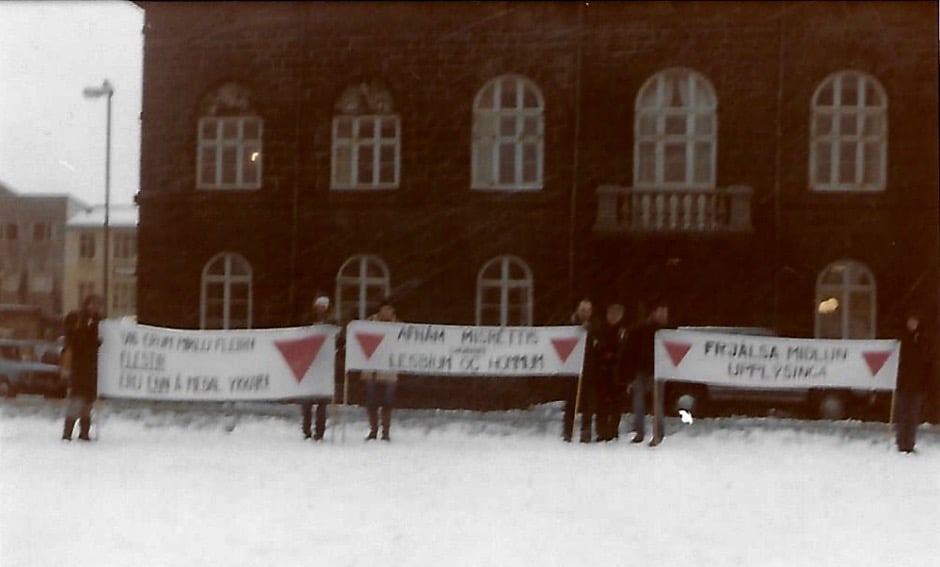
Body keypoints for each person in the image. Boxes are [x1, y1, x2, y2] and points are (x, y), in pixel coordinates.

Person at [623, 299, 669, 446]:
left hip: (658, 371)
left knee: (657, 404)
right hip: (642, 370)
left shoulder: (669, 331)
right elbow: (633, 349)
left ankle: (658, 433)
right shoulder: (642, 329)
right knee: (639, 403)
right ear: (654, 312)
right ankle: (640, 432)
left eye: (665, 312)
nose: (663, 315)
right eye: (661, 312)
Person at [60, 294, 104, 442]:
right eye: (93, 304)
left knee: (88, 402)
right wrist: (93, 342)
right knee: (76, 400)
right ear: (87, 304)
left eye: (98, 305)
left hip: (91, 369)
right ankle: (68, 433)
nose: (96, 307)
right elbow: (75, 340)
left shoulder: (98, 322)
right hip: (79, 367)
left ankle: (84, 432)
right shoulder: (78, 319)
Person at [300, 294, 339, 441]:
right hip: (309, 364)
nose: (320, 309)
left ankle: (320, 431)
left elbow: (339, 339)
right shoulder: (308, 320)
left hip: (325, 365)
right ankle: (306, 429)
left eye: (323, 306)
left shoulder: (332, 323)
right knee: (307, 400)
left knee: (322, 401)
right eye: (318, 306)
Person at [563, 298, 599, 443]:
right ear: (577, 310)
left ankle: (586, 431)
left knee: (588, 402)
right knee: (571, 401)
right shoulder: (569, 325)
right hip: (572, 368)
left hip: (589, 369)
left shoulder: (594, 326)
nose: (585, 313)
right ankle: (568, 430)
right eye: (582, 310)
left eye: (587, 310)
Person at [362, 299, 398, 441]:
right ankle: (373, 430)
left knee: (387, 403)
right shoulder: (369, 324)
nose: (387, 312)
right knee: (371, 403)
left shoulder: (398, 327)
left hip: (389, 371)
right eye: (385, 309)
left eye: (390, 309)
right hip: (372, 369)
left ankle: (386, 432)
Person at [895, 311, 931, 453]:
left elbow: (926, 362)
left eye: (915, 321)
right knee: (902, 414)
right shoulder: (902, 339)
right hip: (903, 383)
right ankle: (901, 442)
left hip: (917, 384)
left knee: (913, 415)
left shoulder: (922, 339)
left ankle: (910, 443)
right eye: (910, 321)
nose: (912, 324)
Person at [596, 302, 628, 441]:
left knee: (616, 403)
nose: (614, 316)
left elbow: (626, 351)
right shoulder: (600, 329)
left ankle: (613, 431)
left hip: (618, 372)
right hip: (602, 370)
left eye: (617, 314)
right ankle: (601, 431)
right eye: (612, 313)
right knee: (602, 402)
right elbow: (597, 348)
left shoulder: (624, 331)